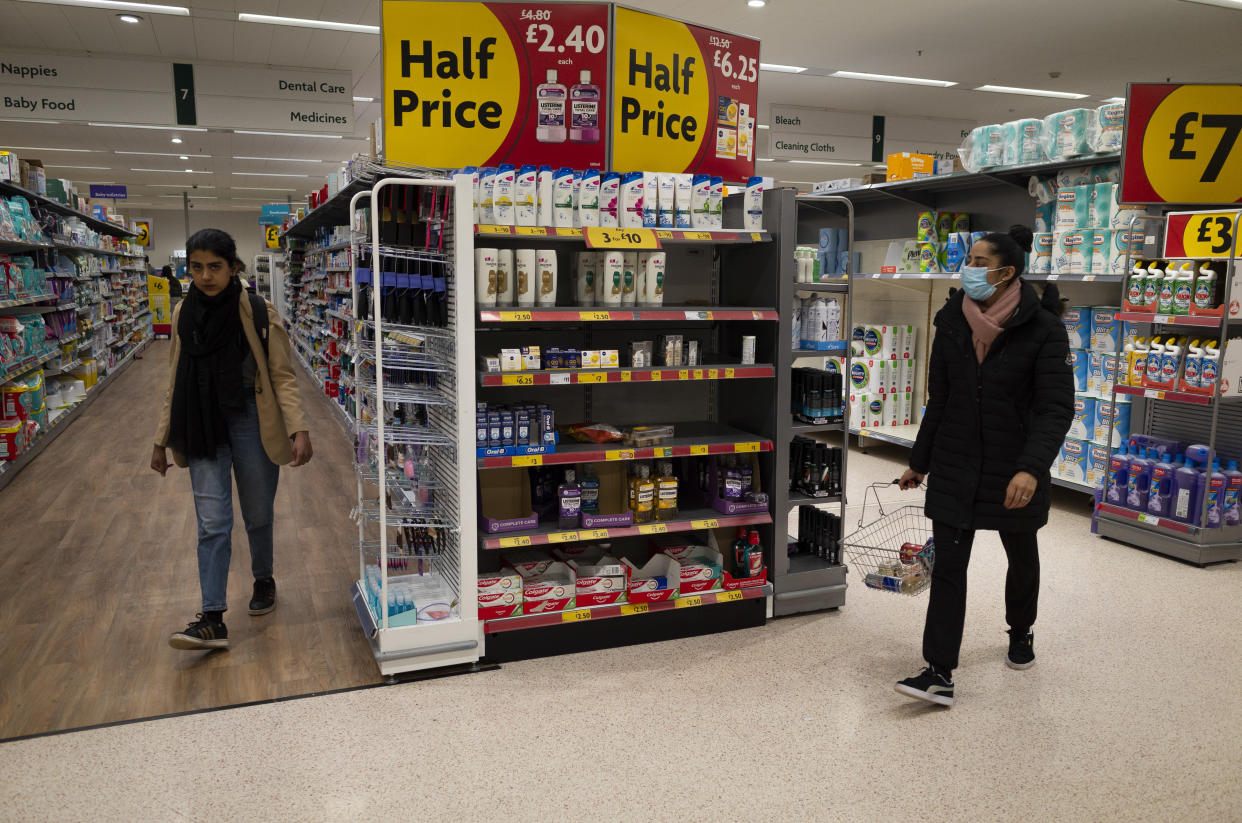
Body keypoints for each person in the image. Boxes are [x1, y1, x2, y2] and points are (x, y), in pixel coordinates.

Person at [894, 225, 1073, 708]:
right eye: (968, 259)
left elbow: (1057, 408)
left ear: (1006, 271)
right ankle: (938, 671)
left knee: (1021, 553)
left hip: (1012, 467)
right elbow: (941, 398)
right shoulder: (952, 319)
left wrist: (1031, 469)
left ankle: (1021, 630)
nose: (967, 267)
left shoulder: (1044, 329)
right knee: (949, 565)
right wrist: (920, 461)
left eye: (977, 260)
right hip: (955, 461)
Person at [151, 228, 313, 651]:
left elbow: (282, 375)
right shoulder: (184, 314)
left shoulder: (258, 311)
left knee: (258, 512)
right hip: (200, 424)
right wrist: (160, 439)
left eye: (215, 267)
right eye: (197, 267)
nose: (206, 276)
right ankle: (212, 617)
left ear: (234, 268)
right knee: (212, 522)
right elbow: (173, 382)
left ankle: (263, 578)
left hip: (250, 420)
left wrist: (299, 428)